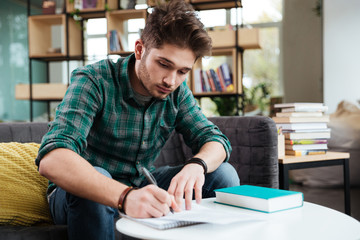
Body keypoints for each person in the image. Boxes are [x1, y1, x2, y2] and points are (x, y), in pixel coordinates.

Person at [35, 1, 240, 239]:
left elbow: (215, 140)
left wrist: (197, 164)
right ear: (140, 50)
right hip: (80, 194)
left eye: (183, 72)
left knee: (223, 174)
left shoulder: (176, 92)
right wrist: (125, 196)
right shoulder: (93, 80)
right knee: (98, 176)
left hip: (142, 184)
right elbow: (52, 159)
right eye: (164, 64)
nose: (171, 81)